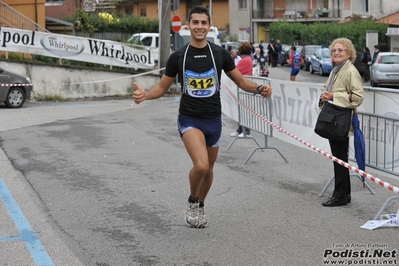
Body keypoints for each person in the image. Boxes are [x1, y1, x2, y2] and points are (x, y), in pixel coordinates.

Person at [132, 6, 273, 228]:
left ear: (209, 26)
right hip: (190, 119)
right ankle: (192, 201)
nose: (199, 27)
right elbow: (161, 88)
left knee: (209, 171)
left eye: (203, 23)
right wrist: (145, 95)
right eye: (195, 22)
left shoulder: (219, 54)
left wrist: (258, 89)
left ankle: (200, 206)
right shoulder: (178, 57)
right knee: (201, 166)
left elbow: (242, 82)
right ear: (188, 26)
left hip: (213, 121)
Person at [319, 38, 364, 207]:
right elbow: (330, 90)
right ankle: (344, 193)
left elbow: (358, 97)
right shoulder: (337, 70)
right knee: (339, 158)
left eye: (341, 50)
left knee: (340, 158)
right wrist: (325, 96)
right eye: (334, 50)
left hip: (341, 119)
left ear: (349, 53)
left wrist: (333, 96)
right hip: (334, 117)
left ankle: (341, 195)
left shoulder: (350, 71)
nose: (336, 53)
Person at [230, 42, 253, 138]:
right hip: (242, 86)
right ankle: (240, 129)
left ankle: (245, 130)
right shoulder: (247, 59)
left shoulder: (245, 60)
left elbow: (235, 71)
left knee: (243, 109)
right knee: (240, 109)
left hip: (244, 87)